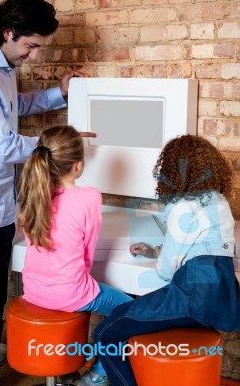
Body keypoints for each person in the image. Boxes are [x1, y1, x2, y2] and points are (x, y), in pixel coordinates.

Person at [0, 0, 93, 386]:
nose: (36, 56)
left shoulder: (3, 65)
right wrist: (57, 142)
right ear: (9, 33)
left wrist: (59, 93)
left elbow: (17, 107)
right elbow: (5, 144)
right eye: (32, 46)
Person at [92, 134, 240, 386]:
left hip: (194, 299)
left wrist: (161, 258)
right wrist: (155, 250)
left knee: (105, 332)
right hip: (223, 300)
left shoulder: (182, 206)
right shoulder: (219, 201)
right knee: (122, 314)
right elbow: (202, 246)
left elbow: (165, 272)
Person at [18, 125, 133, 386]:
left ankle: (66, 368)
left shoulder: (32, 194)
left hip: (33, 291)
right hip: (70, 293)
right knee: (129, 310)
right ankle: (97, 374)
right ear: (78, 166)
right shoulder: (89, 197)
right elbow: (87, 254)